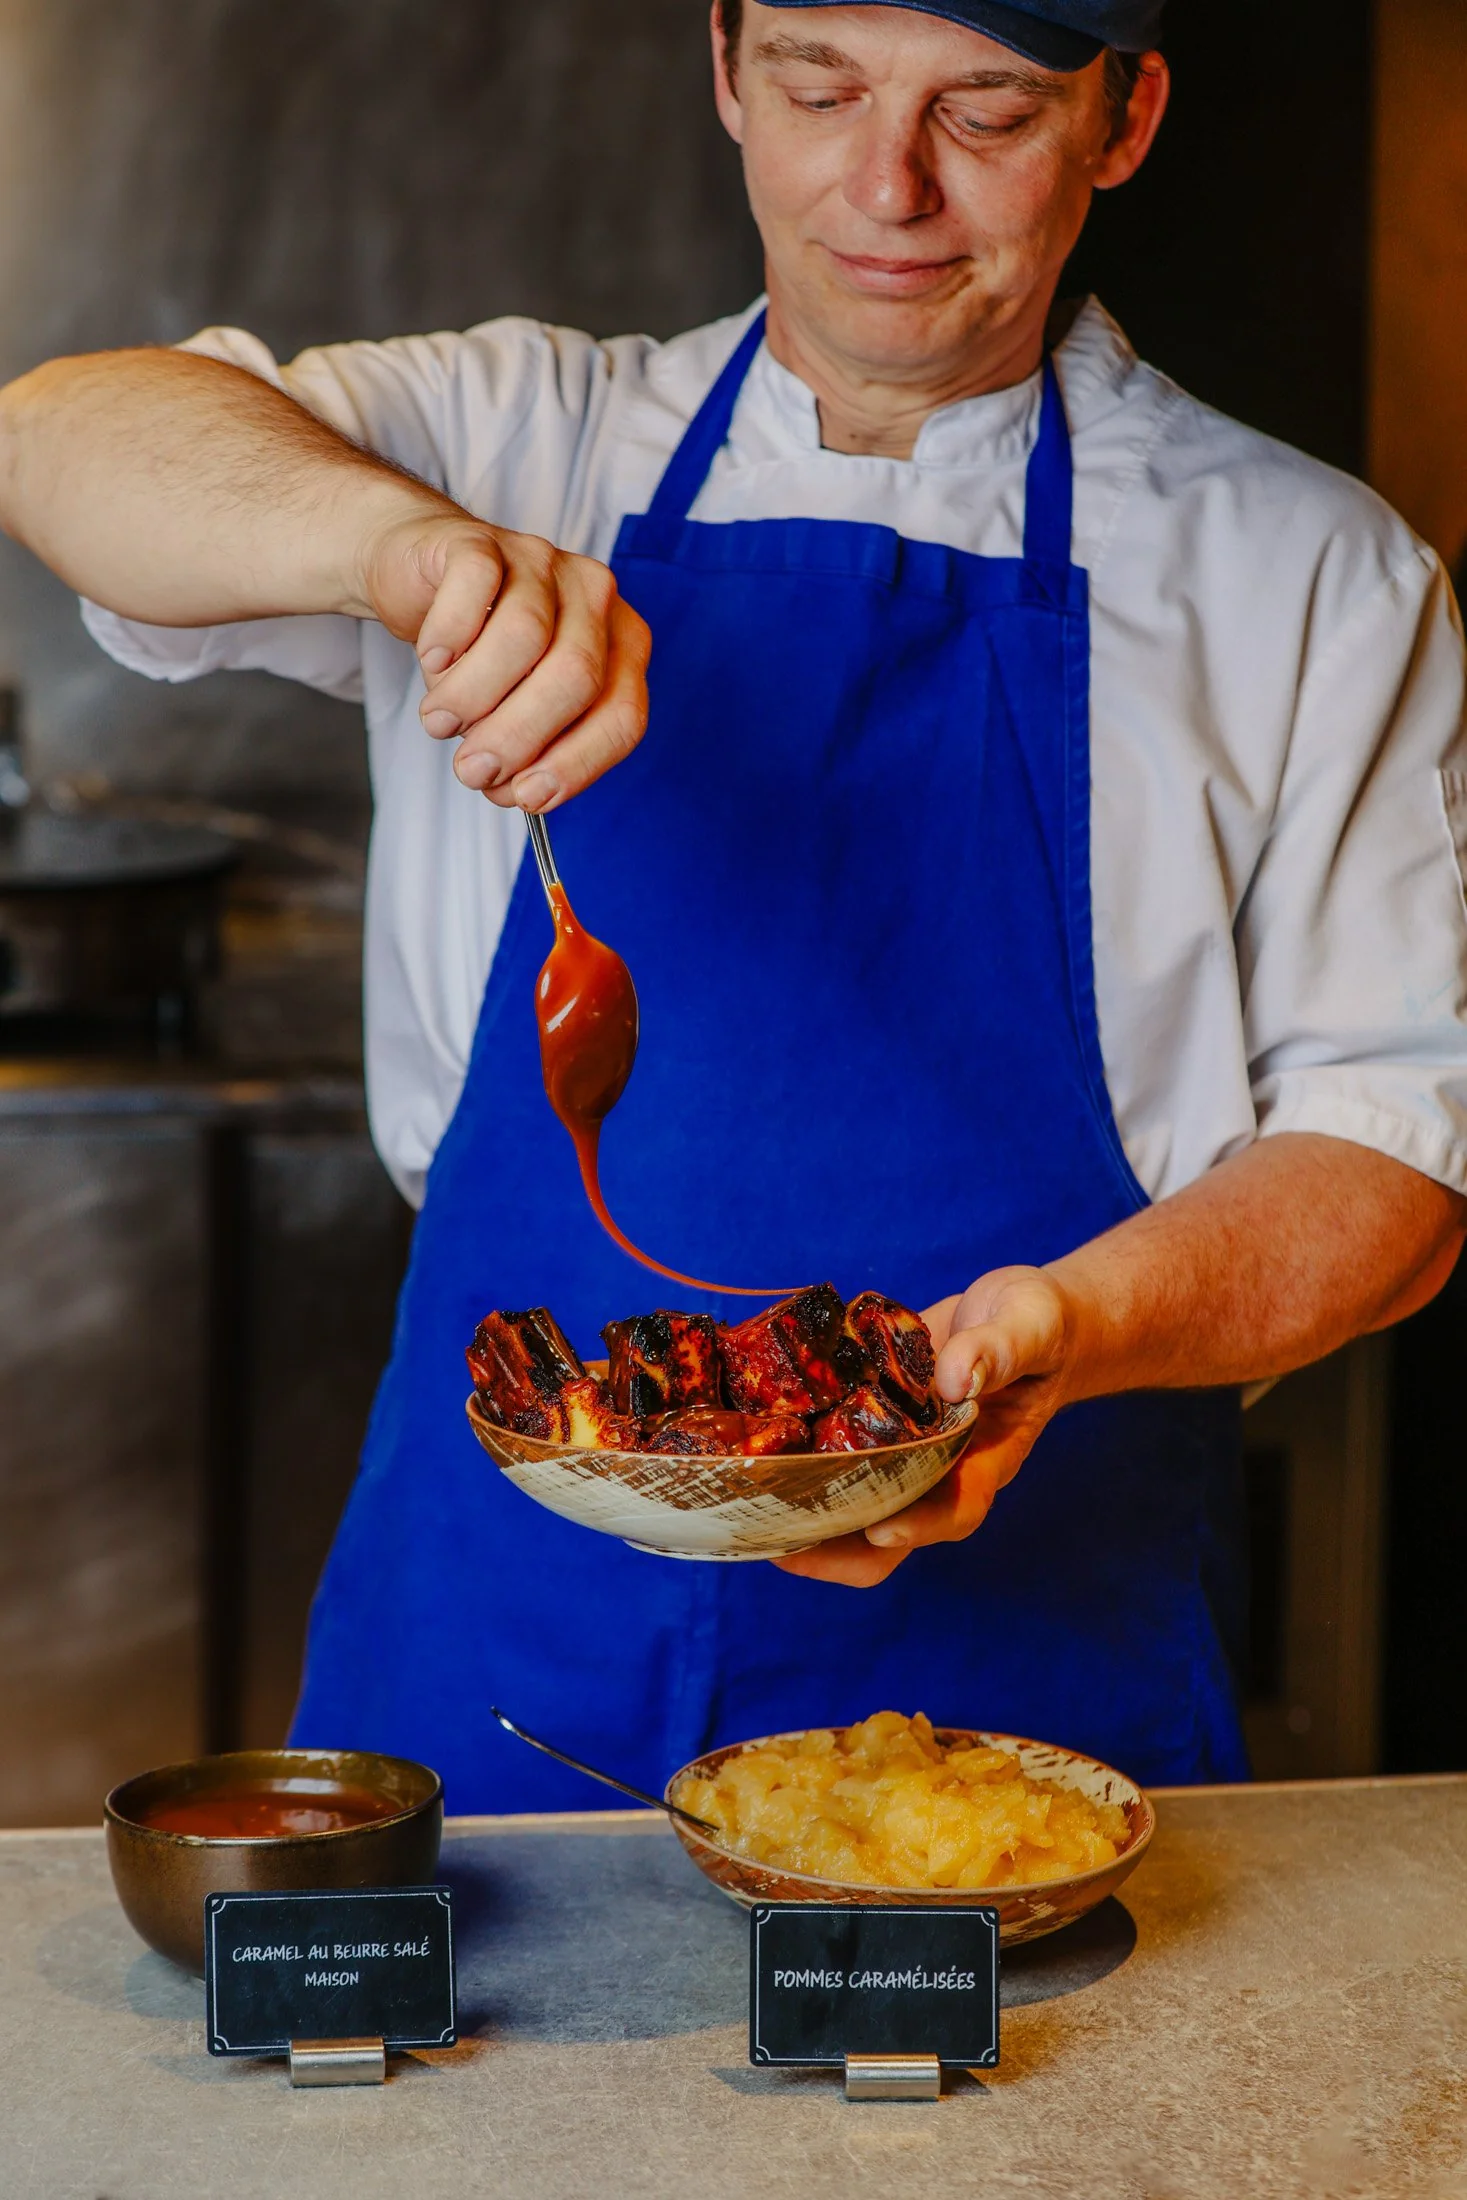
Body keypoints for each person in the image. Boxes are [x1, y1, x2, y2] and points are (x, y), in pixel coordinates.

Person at [2, 0, 1464, 1806]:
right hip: (501, 1633)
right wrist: (404, 550)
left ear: (1125, 115)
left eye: (987, 111)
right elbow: (59, 432)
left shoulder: (1310, 575)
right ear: (722, 67)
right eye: (819, 87)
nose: (887, 185)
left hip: (1031, 1666)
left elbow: (1389, 1162)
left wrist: (1066, 1332)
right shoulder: (516, 439)